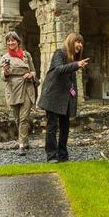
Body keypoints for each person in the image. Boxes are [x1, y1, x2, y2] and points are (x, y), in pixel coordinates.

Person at [38, 33, 89, 163]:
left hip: (65, 98)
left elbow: (71, 81)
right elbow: (59, 69)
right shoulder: (59, 53)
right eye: (78, 42)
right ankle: (52, 156)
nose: (80, 45)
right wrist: (77, 64)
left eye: (81, 42)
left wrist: (74, 96)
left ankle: (62, 154)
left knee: (65, 127)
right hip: (53, 96)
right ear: (71, 42)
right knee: (52, 126)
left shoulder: (73, 59)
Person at [1, 31, 39, 156]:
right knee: (17, 119)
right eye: (8, 41)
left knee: (24, 118)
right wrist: (6, 71)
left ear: (18, 41)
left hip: (27, 88)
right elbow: (3, 77)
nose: (11, 43)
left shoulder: (26, 55)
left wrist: (30, 74)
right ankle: (25, 140)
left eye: (13, 40)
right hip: (12, 90)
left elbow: (34, 72)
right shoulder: (5, 57)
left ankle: (21, 145)